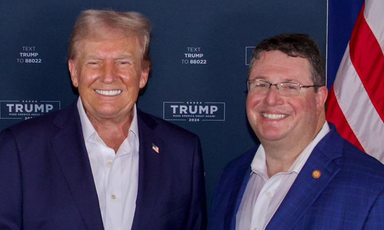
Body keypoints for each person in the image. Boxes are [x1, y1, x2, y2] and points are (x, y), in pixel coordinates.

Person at [0, 9, 207, 230]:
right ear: (74, 72)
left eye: (123, 62)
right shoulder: (20, 150)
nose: (108, 76)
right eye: (94, 63)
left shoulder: (182, 152)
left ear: (143, 74)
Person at [208, 33, 384, 230]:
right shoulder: (233, 175)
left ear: (319, 99)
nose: (271, 99)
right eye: (261, 84)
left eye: (290, 86)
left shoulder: (373, 189)